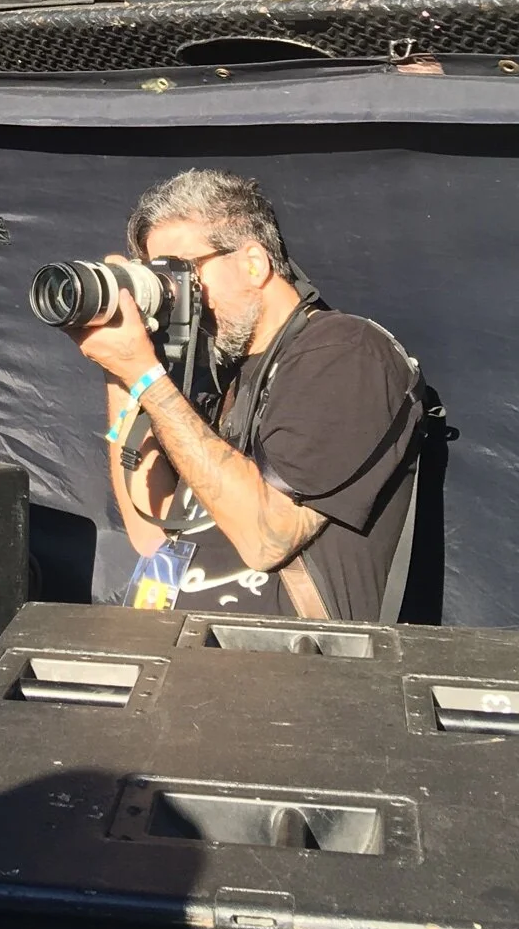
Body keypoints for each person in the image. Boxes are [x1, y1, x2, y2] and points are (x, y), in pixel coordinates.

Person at [71, 167, 424, 621]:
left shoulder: (346, 353)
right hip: (179, 657)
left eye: (181, 272)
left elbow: (268, 537)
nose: (175, 295)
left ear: (253, 263)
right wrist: (120, 370)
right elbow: (150, 534)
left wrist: (145, 377)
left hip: (283, 670)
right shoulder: (218, 374)